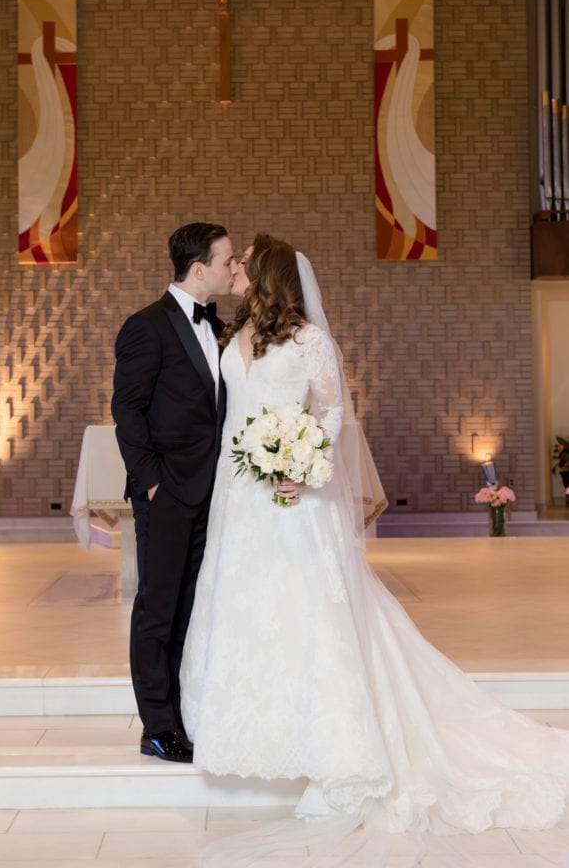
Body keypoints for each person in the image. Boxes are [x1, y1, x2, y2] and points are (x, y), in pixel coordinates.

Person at [180, 234, 569, 860]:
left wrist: (299, 463)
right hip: (237, 494)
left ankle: (332, 742)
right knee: (245, 602)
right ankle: (250, 731)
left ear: (269, 273)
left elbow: (331, 416)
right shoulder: (234, 336)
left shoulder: (312, 342)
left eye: (246, 261)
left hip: (288, 495)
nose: (238, 268)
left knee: (309, 610)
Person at [111, 222, 238, 763]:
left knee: (191, 608)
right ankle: (157, 727)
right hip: (167, 494)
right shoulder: (147, 326)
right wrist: (153, 483)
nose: (234, 271)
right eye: (228, 261)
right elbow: (127, 410)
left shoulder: (220, 327)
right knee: (158, 609)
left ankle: (185, 716)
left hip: (212, 493)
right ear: (198, 269)